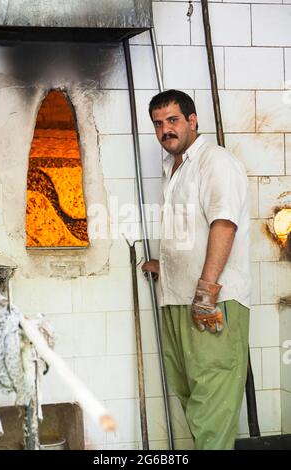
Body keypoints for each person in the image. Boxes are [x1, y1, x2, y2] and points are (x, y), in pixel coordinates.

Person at [142, 89, 251, 450]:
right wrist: (167, 264)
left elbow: (224, 224)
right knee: (190, 396)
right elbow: (194, 229)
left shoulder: (214, 161)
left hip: (212, 300)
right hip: (177, 298)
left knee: (212, 405)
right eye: (158, 124)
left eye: (172, 120)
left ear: (192, 121)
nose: (165, 130)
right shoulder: (175, 168)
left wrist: (206, 289)